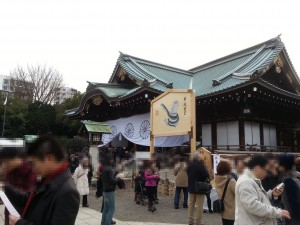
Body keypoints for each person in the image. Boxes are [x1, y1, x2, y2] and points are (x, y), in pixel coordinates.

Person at [2, 135, 80, 225]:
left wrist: (20, 223)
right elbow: (26, 200)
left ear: (49, 159)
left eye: (33, 163)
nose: (32, 168)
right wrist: (5, 186)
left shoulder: (68, 192)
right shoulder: (46, 178)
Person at [235, 154, 290, 225]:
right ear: (258, 167)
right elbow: (253, 205)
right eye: (266, 170)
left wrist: (271, 194)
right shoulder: (246, 182)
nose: (266, 173)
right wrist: (278, 212)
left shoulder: (251, 179)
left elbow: (256, 198)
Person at [0, 146, 36, 225]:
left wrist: (5, 186)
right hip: (9, 214)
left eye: (5, 162)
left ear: (14, 158)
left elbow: (28, 197)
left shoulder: (31, 170)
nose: (3, 166)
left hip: (23, 217)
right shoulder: (9, 171)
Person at [187, 152, 210, 225]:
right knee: (199, 205)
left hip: (191, 187)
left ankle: (190, 220)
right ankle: (199, 221)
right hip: (200, 188)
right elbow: (206, 175)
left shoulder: (190, 165)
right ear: (198, 158)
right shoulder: (201, 165)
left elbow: (188, 174)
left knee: (191, 204)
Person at [277, 153, 300, 225]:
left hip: (293, 220)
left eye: (278, 164)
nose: (276, 166)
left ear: (283, 167)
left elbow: (294, 206)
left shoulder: (288, 182)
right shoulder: (295, 178)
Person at [215, 160, 236, 225]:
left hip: (223, 213)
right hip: (233, 214)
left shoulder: (217, 180)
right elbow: (239, 194)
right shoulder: (231, 182)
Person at [101, 153, 119, 225]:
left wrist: (116, 173)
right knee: (112, 209)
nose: (113, 160)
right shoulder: (109, 169)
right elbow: (112, 181)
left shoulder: (105, 168)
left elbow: (109, 178)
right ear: (109, 160)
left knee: (106, 208)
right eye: (112, 159)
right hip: (110, 191)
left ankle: (103, 222)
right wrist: (119, 179)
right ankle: (107, 223)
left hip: (105, 190)